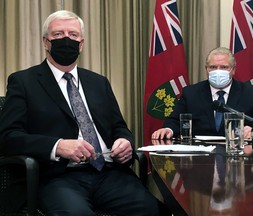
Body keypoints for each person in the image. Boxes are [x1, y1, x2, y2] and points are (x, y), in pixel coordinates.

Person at [0, 10, 162, 216]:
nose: (66, 39)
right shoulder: (24, 82)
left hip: (108, 173)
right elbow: (7, 137)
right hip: (57, 177)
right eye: (58, 34)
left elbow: (119, 127)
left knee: (150, 209)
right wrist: (58, 146)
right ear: (45, 42)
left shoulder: (98, 82)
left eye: (73, 35)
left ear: (82, 44)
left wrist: (125, 142)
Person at [152, 47, 253, 140]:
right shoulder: (191, 93)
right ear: (206, 69)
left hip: (238, 158)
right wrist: (168, 130)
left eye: (224, 67)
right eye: (212, 67)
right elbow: (174, 120)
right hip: (199, 160)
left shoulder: (251, 93)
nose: (218, 72)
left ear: (233, 70)